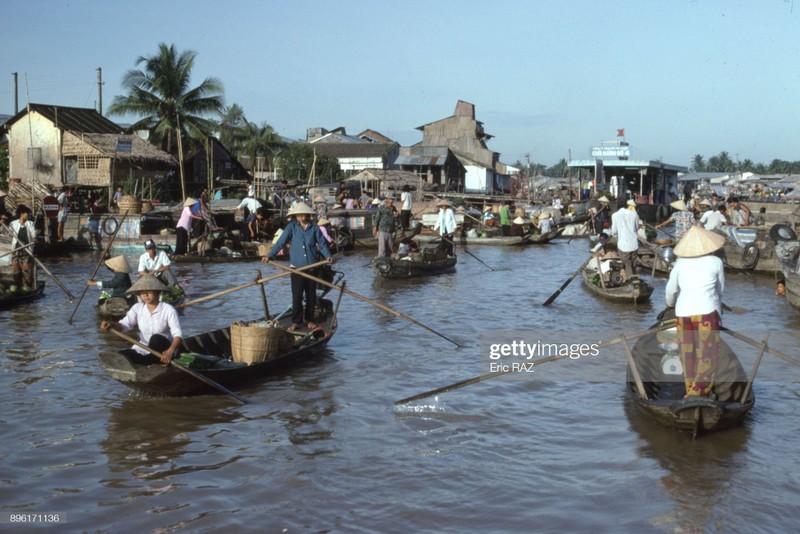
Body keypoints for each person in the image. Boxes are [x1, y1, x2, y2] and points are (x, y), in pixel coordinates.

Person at [664, 226, 726, 398]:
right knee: (707, 353)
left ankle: (691, 388)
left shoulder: (680, 264)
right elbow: (720, 290)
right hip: (707, 312)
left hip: (683, 313)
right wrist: (719, 310)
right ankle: (699, 392)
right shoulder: (716, 262)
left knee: (687, 352)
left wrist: (669, 304)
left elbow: (670, 291)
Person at [262, 203, 334, 332]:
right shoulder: (291, 227)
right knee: (297, 296)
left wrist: (328, 256)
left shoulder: (314, 228)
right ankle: (296, 321)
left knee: (311, 295)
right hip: (296, 268)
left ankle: (310, 320)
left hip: (312, 267)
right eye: (299, 215)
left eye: (304, 215)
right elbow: (281, 242)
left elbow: (322, 244)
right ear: (296, 216)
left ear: (308, 215)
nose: (302, 217)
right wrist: (270, 255)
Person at [100, 276, 183, 364]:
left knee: (155, 339)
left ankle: (149, 361)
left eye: (149, 292)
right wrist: (111, 324)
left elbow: (178, 335)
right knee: (122, 354)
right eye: (142, 292)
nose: (145, 295)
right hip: (144, 348)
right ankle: (146, 360)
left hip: (164, 350)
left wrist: (170, 351)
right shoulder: (137, 308)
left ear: (157, 293)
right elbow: (124, 325)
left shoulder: (168, 310)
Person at [610, 199, 641, 281]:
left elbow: (614, 231)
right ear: (627, 206)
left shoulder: (615, 215)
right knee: (633, 264)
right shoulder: (634, 214)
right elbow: (636, 228)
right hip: (634, 244)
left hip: (623, 245)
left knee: (627, 264)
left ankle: (632, 282)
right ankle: (635, 280)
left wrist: (615, 235)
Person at [9, 205, 37, 288]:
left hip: (27, 250)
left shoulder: (30, 223)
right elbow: (10, 235)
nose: (28, 215)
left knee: (26, 270)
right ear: (22, 214)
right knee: (16, 271)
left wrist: (34, 239)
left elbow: (33, 233)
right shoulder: (13, 224)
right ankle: (18, 287)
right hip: (16, 250)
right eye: (27, 213)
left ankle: (28, 286)